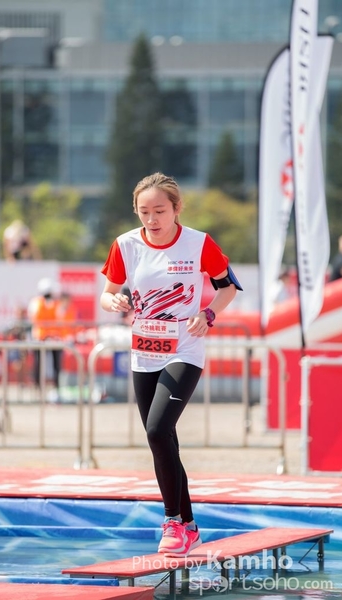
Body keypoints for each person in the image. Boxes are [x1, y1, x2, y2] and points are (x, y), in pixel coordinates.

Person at [100, 172, 241, 558]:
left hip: (185, 348)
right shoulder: (125, 245)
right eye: (144, 211)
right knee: (164, 440)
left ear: (177, 209)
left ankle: (172, 521)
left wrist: (208, 313)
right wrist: (114, 301)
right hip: (144, 350)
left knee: (157, 429)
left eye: (160, 211)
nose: (152, 219)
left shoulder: (199, 243)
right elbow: (107, 294)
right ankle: (190, 526)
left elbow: (227, 286)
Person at [28, 278, 61, 398]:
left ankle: (56, 387)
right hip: (40, 337)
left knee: (56, 364)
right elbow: (34, 317)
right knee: (38, 364)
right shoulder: (36, 303)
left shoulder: (55, 303)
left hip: (53, 337)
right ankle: (38, 387)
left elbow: (58, 317)